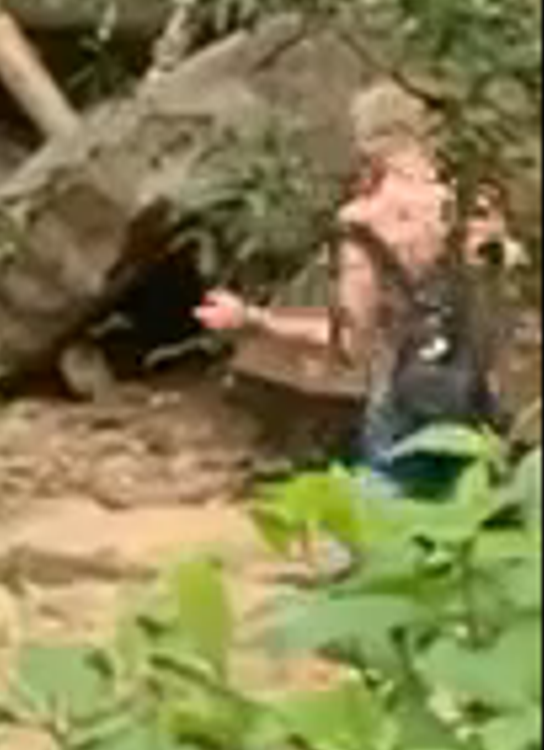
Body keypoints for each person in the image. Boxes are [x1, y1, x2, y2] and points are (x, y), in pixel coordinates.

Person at [199, 87, 516, 500]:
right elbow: (498, 306)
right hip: (477, 405)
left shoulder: (364, 220)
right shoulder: (479, 205)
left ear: (365, 139)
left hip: (403, 407)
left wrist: (253, 320)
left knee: (370, 541)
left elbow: (350, 343)